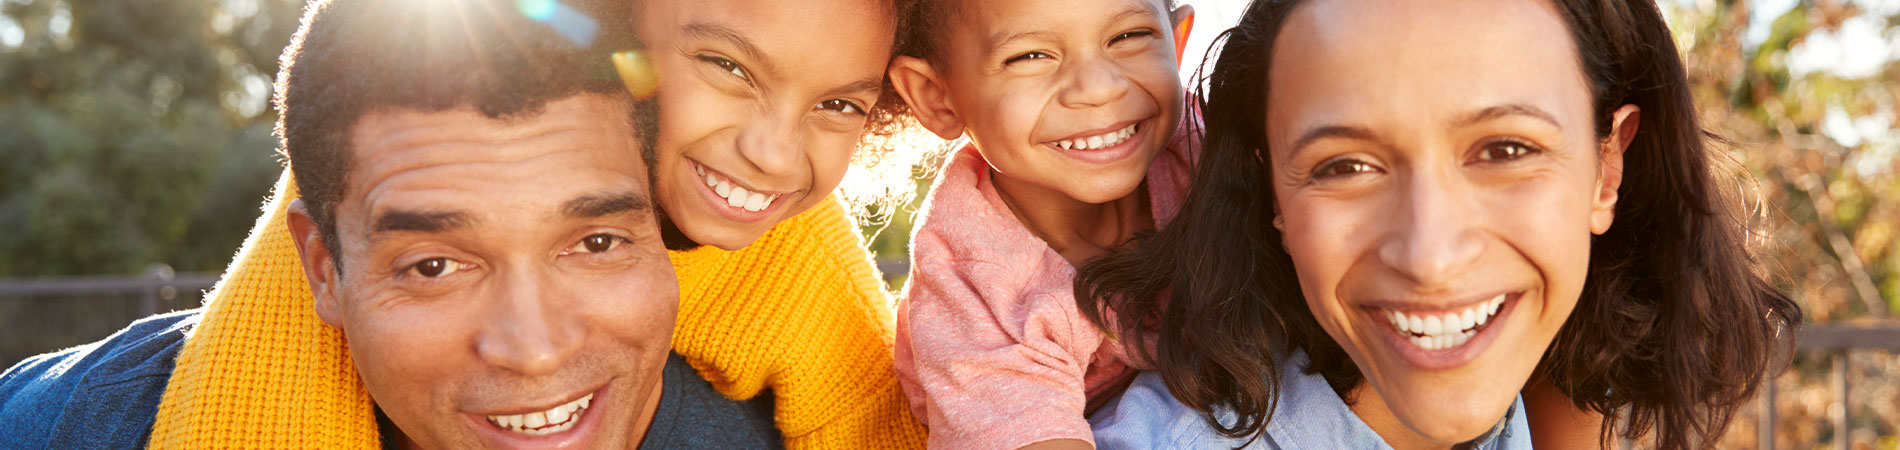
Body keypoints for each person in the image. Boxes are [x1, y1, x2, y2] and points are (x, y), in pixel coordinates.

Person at [142, 0, 930, 448]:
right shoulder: (380, 184)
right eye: (727, 68)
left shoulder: (785, 228)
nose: (772, 153)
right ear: (625, 34)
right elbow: (242, 420)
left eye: (839, 104)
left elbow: (872, 416)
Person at [0, 0, 784, 447]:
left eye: (598, 242)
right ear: (322, 266)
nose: (535, 346)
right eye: (434, 265)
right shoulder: (83, 428)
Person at [1076, 0, 1802, 448]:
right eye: (1344, 166)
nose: (1430, 255)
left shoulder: (1553, 400)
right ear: (1272, 188)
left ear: (1607, 170)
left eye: (1506, 150)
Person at [883, 0, 1197, 448]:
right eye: (1029, 56)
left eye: (1128, 37)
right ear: (938, 96)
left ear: (1176, 41)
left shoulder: (1209, 152)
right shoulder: (970, 282)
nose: (1097, 88)